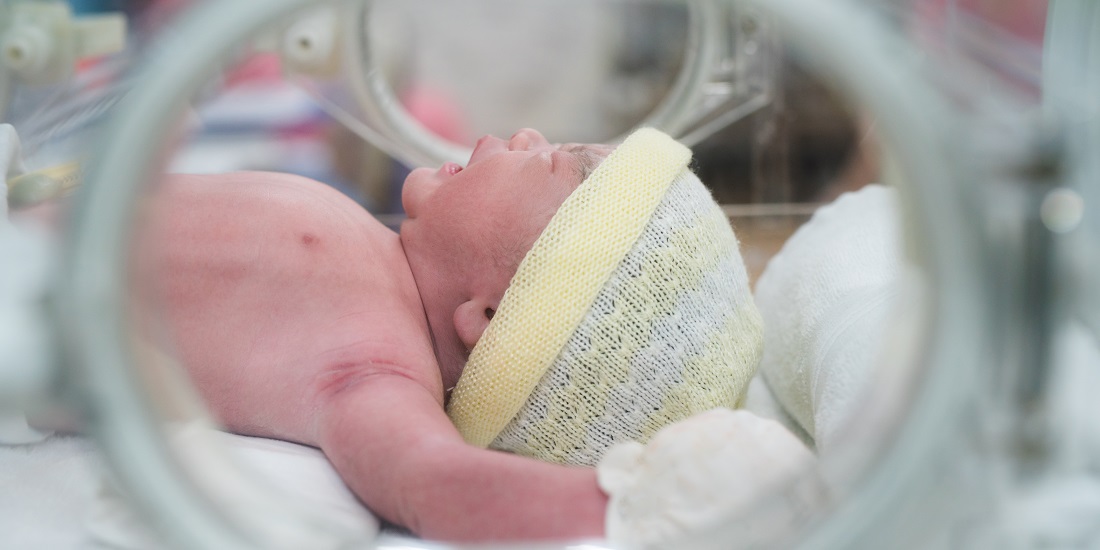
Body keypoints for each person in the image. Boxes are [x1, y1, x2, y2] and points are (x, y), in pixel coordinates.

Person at [134, 127, 764, 541]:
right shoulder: (375, 254)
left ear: (492, 319)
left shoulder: (376, 365)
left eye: (546, 160)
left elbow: (432, 480)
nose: (524, 133)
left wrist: (635, 507)